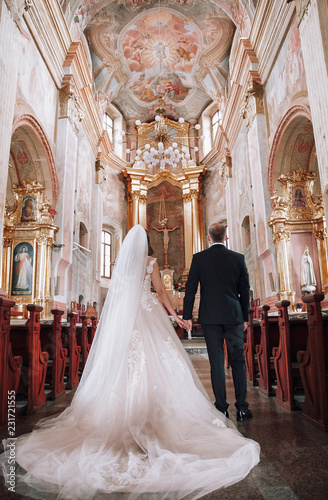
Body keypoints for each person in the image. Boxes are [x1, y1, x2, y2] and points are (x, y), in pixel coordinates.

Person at [1, 225, 259, 499]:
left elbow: (119, 294)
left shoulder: (122, 263)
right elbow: (161, 292)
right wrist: (176, 316)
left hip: (127, 319)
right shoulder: (152, 263)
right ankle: (232, 407)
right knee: (188, 363)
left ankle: (205, 407)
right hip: (164, 314)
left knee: (123, 364)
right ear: (147, 244)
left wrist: (177, 314)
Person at [183, 223, 252, 422]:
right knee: (238, 361)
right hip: (234, 316)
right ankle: (242, 409)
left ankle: (221, 408)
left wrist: (187, 316)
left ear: (208, 238)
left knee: (216, 362)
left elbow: (190, 288)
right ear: (226, 237)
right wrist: (245, 317)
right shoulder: (238, 258)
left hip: (210, 317)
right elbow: (245, 290)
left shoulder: (199, 258)